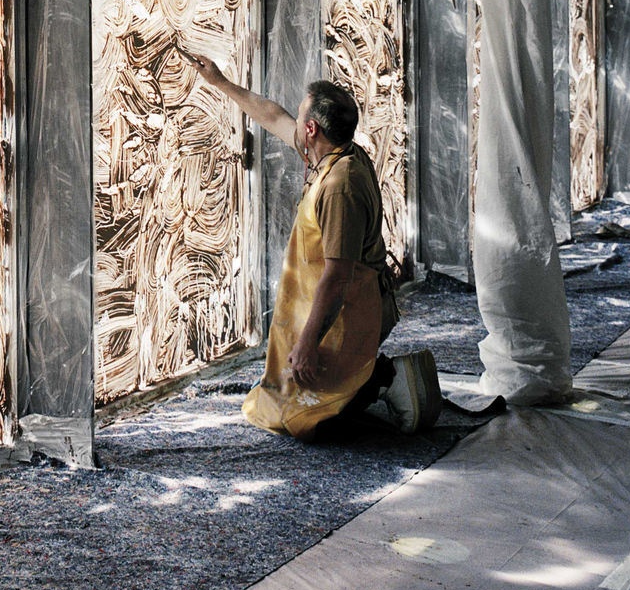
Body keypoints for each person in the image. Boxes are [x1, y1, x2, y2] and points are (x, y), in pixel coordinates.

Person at [184, 58, 441, 440]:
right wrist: (220, 82)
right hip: (332, 305)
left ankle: (386, 377)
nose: (294, 120)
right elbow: (272, 116)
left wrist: (307, 344)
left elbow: (337, 277)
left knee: (307, 424)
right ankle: (365, 377)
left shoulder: (339, 184)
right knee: (276, 404)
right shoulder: (333, 152)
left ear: (311, 129)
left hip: (348, 311)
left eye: (301, 116)